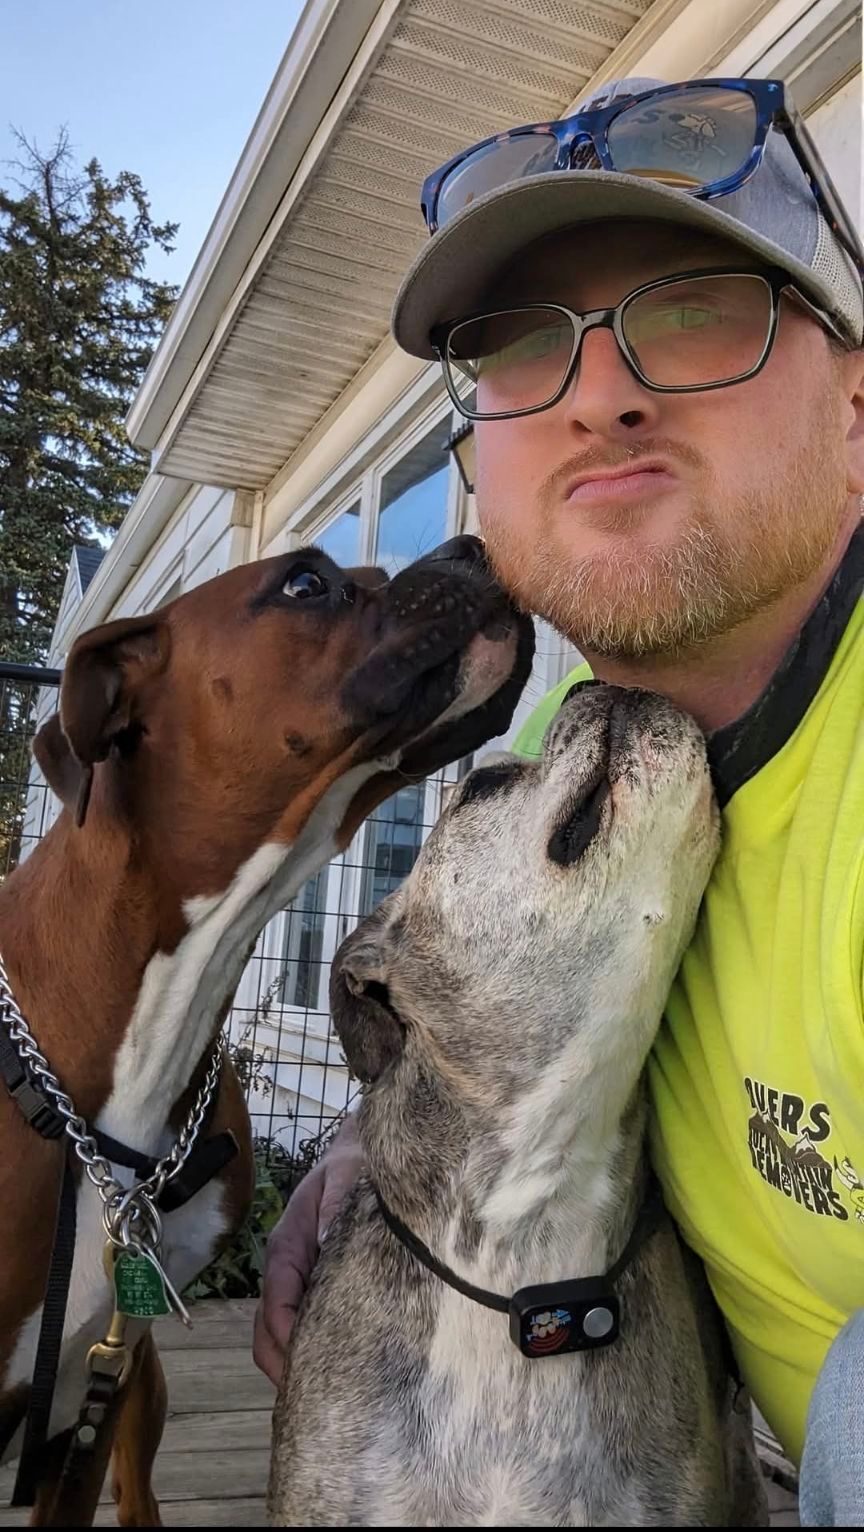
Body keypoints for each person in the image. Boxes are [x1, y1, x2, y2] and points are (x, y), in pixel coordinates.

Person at [254, 75, 864, 1523]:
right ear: (481, 465)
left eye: (701, 309)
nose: (600, 392)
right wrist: (379, 1135)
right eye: (523, 348)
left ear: (856, 417)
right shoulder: (573, 722)